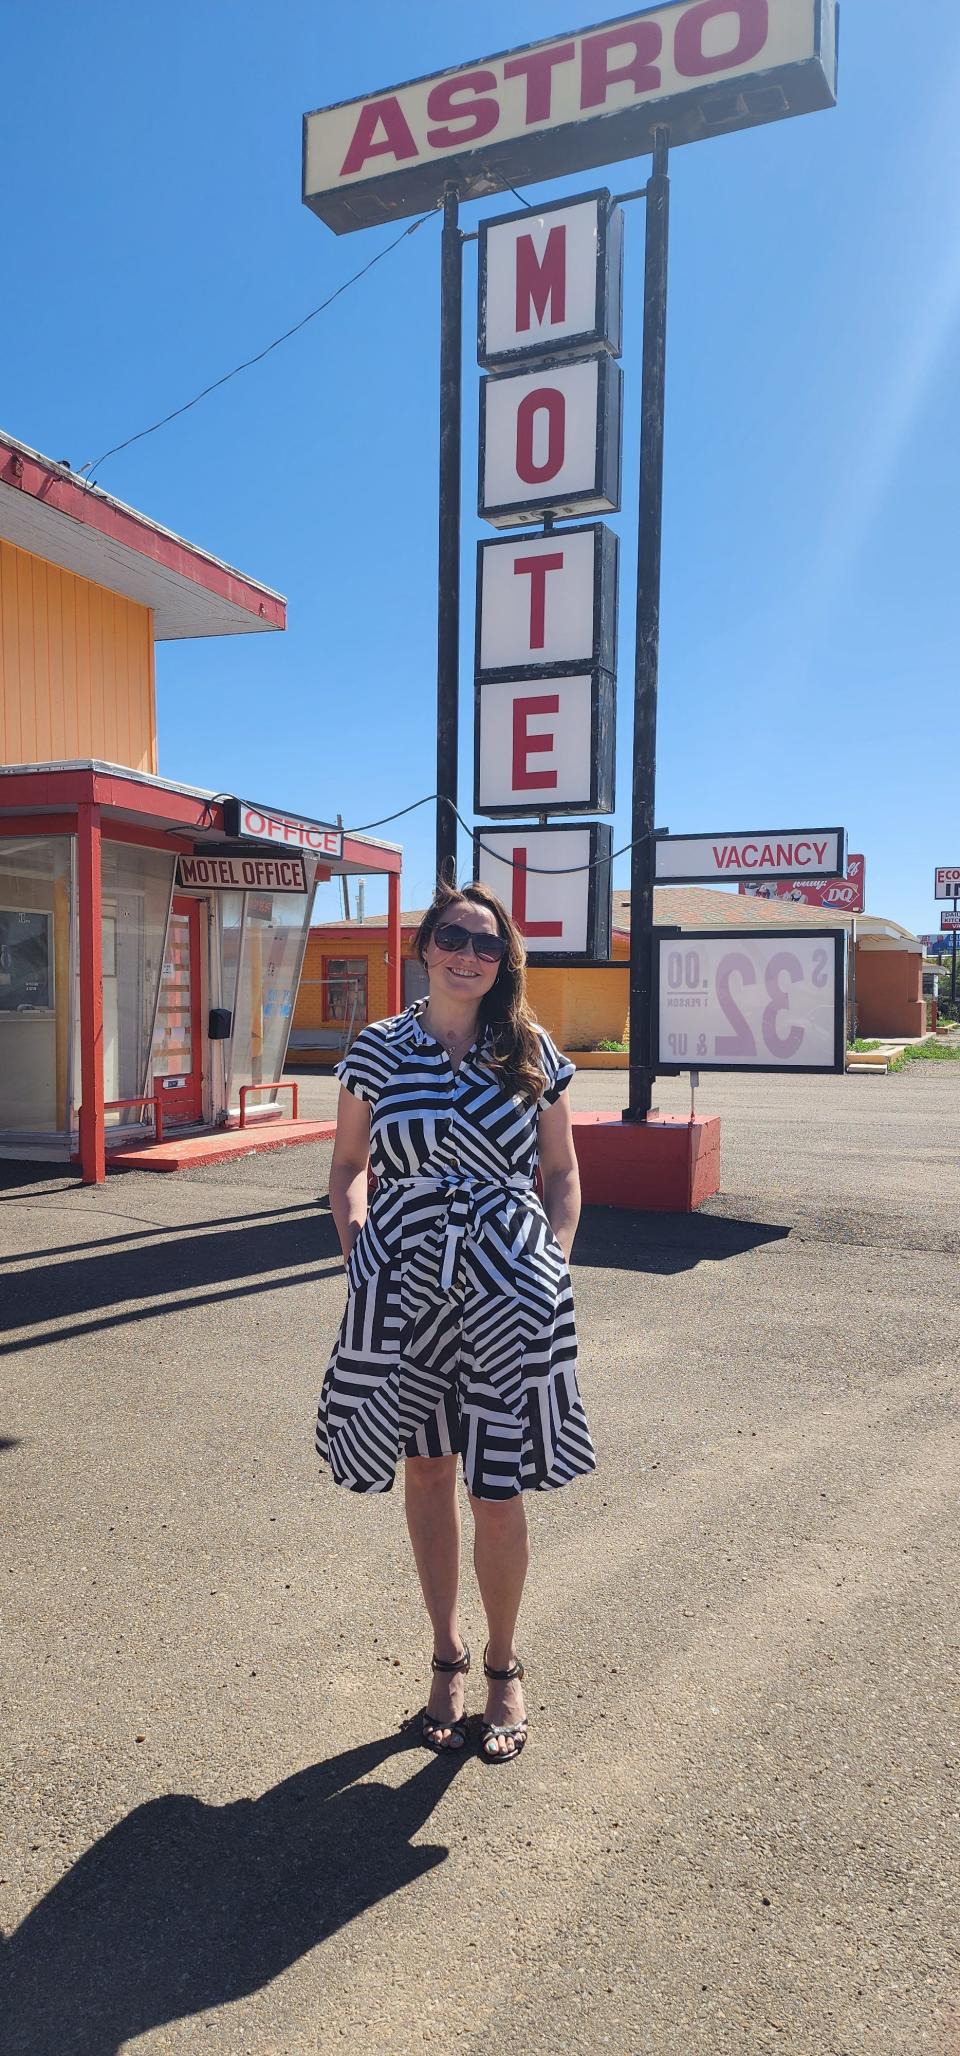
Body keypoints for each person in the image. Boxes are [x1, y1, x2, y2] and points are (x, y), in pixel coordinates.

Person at [316, 879, 595, 1763]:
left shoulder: (532, 1049)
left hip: (509, 1284)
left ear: (501, 959)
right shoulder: (377, 1049)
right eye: (453, 937)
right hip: (404, 1281)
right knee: (428, 1471)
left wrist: (554, 1254)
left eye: (485, 943)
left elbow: (562, 1171)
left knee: (498, 1486)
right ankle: (447, 1655)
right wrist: (358, 1240)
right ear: (425, 946)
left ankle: (506, 1666)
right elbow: (348, 1164)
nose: (468, 954)